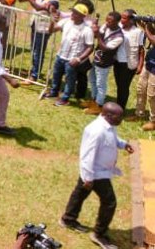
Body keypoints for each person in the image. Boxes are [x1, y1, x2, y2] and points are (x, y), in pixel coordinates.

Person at [59, 102, 132, 249]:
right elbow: (87, 156)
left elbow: (113, 139)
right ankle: (99, 234)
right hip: (96, 173)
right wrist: (88, 178)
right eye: (119, 116)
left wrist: (123, 144)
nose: (121, 119)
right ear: (109, 115)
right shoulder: (96, 131)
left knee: (80, 194)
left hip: (97, 172)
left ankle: (68, 219)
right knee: (110, 202)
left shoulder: (108, 126)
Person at [46, 3, 95, 106]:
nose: (72, 14)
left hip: (72, 59)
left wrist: (78, 59)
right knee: (56, 75)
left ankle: (65, 98)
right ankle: (54, 92)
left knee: (70, 79)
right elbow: (51, 30)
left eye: (76, 13)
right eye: (73, 11)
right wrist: (52, 21)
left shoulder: (87, 30)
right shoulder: (66, 22)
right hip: (61, 55)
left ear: (82, 16)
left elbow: (90, 47)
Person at [18, 0, 59, 82]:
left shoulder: (54, 1)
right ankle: (34, 71)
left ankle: (34, 75)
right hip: (34, 25)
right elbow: (22, 0)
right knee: (33, 49)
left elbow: (38, 8)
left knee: (38, 52)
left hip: (44, 29)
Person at [86, 12, 124, 116]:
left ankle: (99, 106)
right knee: (92, 79)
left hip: (104, 63)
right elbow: (97, 37)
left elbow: (104, 48)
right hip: (97, 59)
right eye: (106, 20)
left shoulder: (119, 37)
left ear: (117, 22)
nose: (107, 23)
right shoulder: (106, 26)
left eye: (110, 21)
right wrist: (95, 30)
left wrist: (98, 34)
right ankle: (93, 100)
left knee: (100, 84)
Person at [116, 9, 143, 114]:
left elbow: (141, 50)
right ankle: (118, 105)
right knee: (119, 85)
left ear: (132, 20)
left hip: (128, 64)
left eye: (124, 18)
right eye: (121, 17)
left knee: (124, 86)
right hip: (117, 61)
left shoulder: (137, 32)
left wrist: (140, 65)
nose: (121, 20)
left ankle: (120, 109)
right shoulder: (118, 27)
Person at [136, 23, 155, 131]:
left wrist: (147, 29)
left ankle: (153, 121)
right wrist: (145, 24)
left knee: (152, 95)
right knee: (141, 89)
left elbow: (153, 40)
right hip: (148, 65)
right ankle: (139, 114)